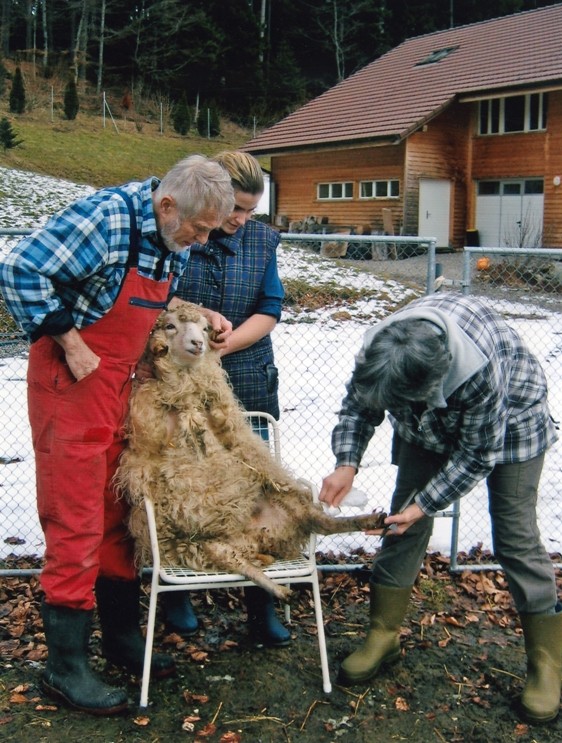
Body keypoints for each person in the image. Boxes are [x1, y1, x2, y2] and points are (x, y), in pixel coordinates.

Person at [0, 155, 235, 715]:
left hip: (120, 388)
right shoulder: (107, 219)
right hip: (71, 383)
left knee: (117, 513)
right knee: (75, 521)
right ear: (168, 204)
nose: (200, 239)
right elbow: (19, 270)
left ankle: (122, 637)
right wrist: (71, 341)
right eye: (198, 228)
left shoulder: (169, 239)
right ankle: (65, 667)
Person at [319, 293, 560, 724]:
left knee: (515, 536)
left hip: (511, 426)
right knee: (401, 525)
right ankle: (384, 633)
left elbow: (475, 456)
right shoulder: (382, 350)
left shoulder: (479, 370)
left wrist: (426, 503)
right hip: (424, 429)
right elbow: (360, 406)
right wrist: (346, 463)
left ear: (432, 385)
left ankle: (546, 663)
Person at [164, 150, 290, 647]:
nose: (239, 220)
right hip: (181, 381)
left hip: (248, 377)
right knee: (183, 488)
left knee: (258, 492)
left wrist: (230, 343)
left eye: (249, 211)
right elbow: (156, 294)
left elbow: (271, 305)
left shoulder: (261, 240)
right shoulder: (182, 231)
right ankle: (177, 593)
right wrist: (195, 321)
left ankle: (262, 606)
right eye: (234, 207)